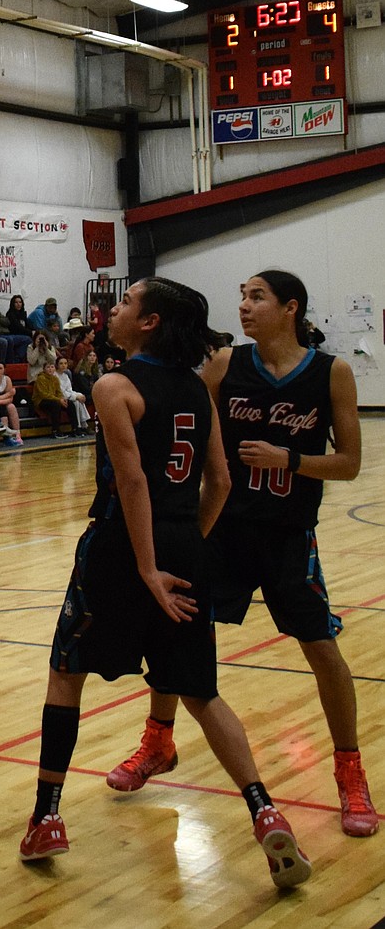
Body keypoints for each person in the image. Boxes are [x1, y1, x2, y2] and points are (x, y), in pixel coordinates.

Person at [18, 278, 311, 890]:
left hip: (123, 548)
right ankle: (265, 810)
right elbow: (222, 483)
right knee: (202, 692)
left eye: (125, 302)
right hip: (184, 543)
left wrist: (149, 568)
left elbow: (132, 485)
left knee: (66, 673)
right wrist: (188, 547)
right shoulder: (198, 393)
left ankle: (47, 817)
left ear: (148, 323)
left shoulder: (113, 386)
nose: (114, 309)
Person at [108, 268, 377, 838]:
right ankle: (158, 741)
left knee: (322, 651)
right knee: (176, 629)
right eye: (242, 297)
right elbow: (180, 419)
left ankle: (350, 772)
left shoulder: (334, 373)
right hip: (223, 530)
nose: (245, 306)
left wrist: (292, 461)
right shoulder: (227, 365)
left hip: (287, 534)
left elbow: (350, 463)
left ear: (291, 308)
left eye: (257, 297)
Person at [56, 356, 92, 434]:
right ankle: (78, 426)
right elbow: (61, 392)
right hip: (60, 397)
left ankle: (83, 425)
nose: (63, 365)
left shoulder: (65, 376)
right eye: (61, 363)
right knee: (76, 402)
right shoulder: (55, 376)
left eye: (65, 363)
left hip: (67, 395)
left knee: (79, 400)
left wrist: (79, 395)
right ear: (57, 365)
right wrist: (76, 396)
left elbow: (69, 390)